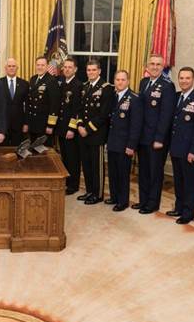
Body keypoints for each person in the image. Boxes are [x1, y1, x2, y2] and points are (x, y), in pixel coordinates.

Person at [166, 67, 194, 224]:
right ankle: (179, 207)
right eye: (181, 78)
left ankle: (188, 213)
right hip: (176, 147)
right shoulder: (177, 96)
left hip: (191, 150)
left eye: (187, 78)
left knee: (190, 183)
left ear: (193, 79)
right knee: (179, 181)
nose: (184, 81)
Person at [134, 54, 175, 215]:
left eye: (158, 64)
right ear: (147, 66)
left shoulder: (167, 86)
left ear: (162, 67)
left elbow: (166, 115)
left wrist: (159, 138)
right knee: (143, 170)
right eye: (152, 64)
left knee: (155, 173)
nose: (155, 67)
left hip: (156, 139)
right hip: (142, 136)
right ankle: (143, 200)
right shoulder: (144, 82)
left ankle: (152, 203)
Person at [76, 58, 115, 205]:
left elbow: (104, 114)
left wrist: (87, 129)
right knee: (86, 165)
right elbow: (80, 109)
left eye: (94, 70)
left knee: (96, 166)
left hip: (96, 134)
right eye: (88, 70)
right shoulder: (85, 86)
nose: (91, 72)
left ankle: (97, 194)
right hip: (83, 133)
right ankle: (89, 191)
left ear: (99, 71)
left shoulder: (106, 88)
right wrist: (80, 125)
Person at [106, 71, 142, 211]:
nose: (120, 82)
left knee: (122, 174)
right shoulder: (114, 96)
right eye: (117, 79)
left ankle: (123, 201)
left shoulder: (134, 99)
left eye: (122, 80)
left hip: (125, 144)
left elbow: (136, 125)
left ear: (128, 81)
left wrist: (131, 145)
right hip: (113, 141)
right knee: (113, 172)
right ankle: (114, 196)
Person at [56, 57, 82, 195]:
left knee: (73, 158)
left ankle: (73, 185)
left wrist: (72, 128)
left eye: (70, 67)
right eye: (65, 67)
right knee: (64, 157)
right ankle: (66, 182)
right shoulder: (61, 82)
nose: (66, 69)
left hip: (70, 129)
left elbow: (77, 110)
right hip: (61, 127)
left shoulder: (78, 85)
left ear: (75, 69)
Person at [25, 56, 61, 144]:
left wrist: (50, 125)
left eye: (42, 65)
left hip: (44, 124)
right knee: (33, 149)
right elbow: (29, 102)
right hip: (33, 123)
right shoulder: (33, 79)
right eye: (38, 65)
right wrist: (27, 122)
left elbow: (55, 105)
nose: (40, 67)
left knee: (44, 150)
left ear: (47, 66)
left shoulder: (52, 81)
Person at [0, 58, 29, 146]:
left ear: (17, 68)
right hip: (3, 124)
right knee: (2, 150)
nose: (11, 68)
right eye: (9, 66)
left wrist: (26, 123)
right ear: (5, 68)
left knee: (17, 149)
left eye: (13, 66)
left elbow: (28, 105)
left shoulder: (24, 84)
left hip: (19, 124)